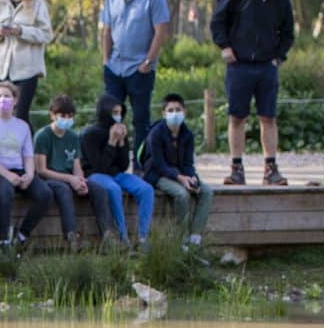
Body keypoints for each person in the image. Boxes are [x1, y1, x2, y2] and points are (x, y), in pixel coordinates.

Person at [210, 0, 296, 186]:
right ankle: (236, 167)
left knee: (268, 116)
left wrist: (278, 57)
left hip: (266, 66)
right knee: (237, 116)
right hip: (239, 65)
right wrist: (225, 46)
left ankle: (271, 168)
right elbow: (217, 20)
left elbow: (288, 33)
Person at [0, 82, 73, 245]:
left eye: (7, 96)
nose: (3, 99)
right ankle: (2, 240)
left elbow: (28, 156)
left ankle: (22, 234)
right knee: (6, 192)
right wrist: (8, 175)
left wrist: (29, 175)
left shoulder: (22, 126)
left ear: (15, 100)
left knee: (45, 194)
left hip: (20, 170)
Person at [95, 0, 171, 135]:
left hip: (140, 68)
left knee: (140, 119)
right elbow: (107, 30)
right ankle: (111, 160)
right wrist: (106, 61)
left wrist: (148, 61)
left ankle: (140, 162)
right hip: (115, 67)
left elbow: (160, 32)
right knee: (109, 117)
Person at [138, 92, 214, 246]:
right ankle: (182, 239)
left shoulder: (187, 134)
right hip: (157, 174)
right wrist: (180, 178)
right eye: (170, 110)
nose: (175, 113)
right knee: (182, 194)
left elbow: (188, 163)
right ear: (164, 113)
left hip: (180, 173)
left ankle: (195, 237)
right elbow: (159, 164)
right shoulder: (156, 134)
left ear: (184, 112)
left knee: (206, 191)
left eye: (178, 110)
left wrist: (192, 178)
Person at [77, 98, 154, 246]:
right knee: (113, 189)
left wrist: (122, 143)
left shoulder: (119, 131)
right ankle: (122, 237)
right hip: (95, 174)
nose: (118, 116)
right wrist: (111, 142)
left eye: (120, 112)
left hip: (116, 174)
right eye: (114, 112)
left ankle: (143, 236)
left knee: (146, 189)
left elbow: (123, 165)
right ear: (104, 112)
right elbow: (99, 167)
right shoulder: (90, 134)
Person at [34, 93, 101, 245]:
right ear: (52, 115)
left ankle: (109, 234)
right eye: (62, 115)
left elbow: (77, 166)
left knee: (98, 189)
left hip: (69, 177)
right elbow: (41, 170)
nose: (66, 119)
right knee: (63, 189)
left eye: (70, 116)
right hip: (48, 179)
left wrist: (81, 181)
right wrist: (71, 179)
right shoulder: (42, 136)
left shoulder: (73, 136)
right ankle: (71, 237)